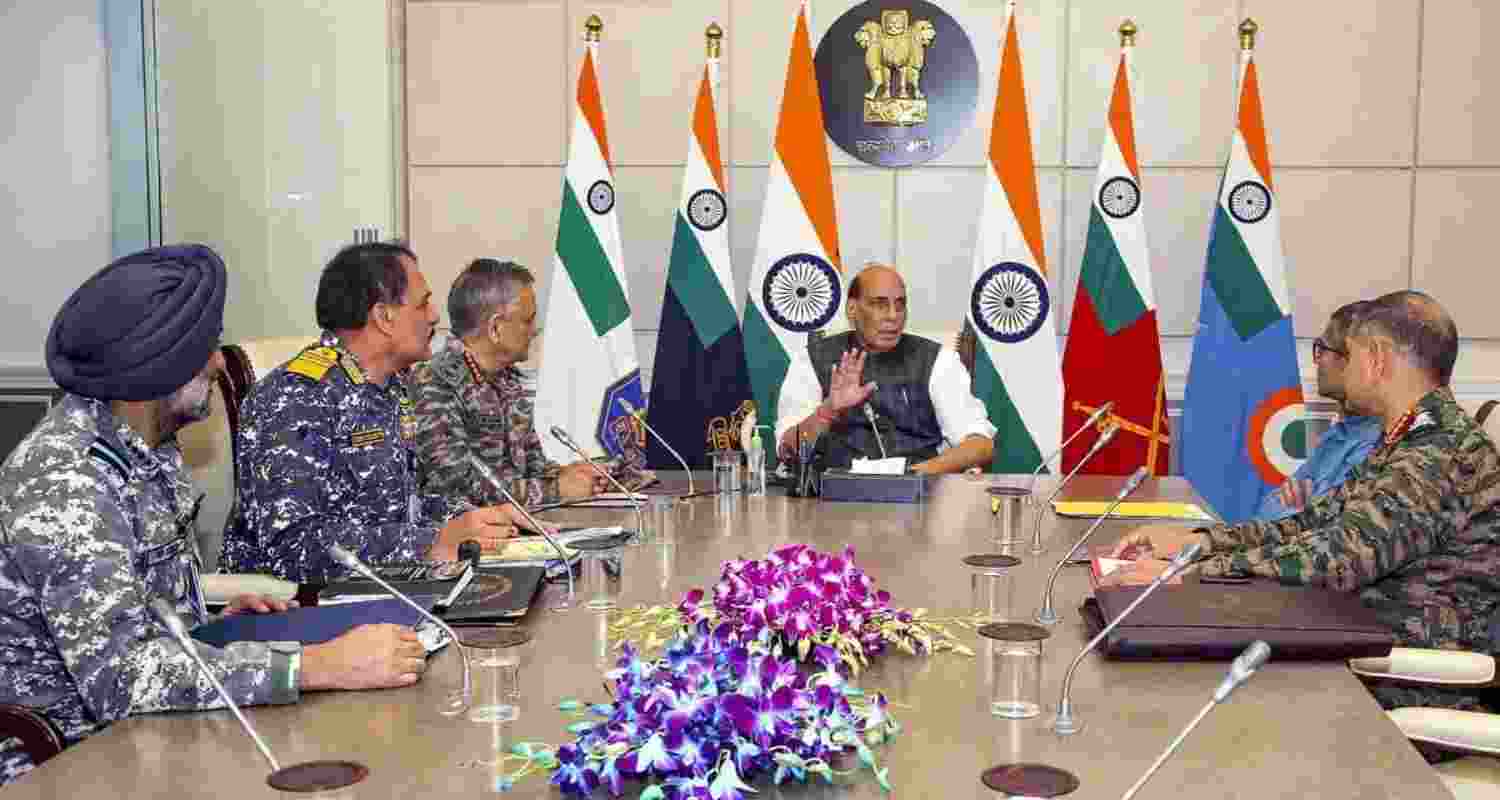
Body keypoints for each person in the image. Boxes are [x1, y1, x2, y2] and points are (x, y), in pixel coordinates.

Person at [0, 245, 427, 785]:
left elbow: (140, 616)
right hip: (72, 758)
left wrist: (207, 626)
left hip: (162, 725)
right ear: (159, 365)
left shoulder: (145, 446)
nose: (220, 364)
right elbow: (119, 680)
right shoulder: (66, 482)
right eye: (205, 350)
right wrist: (314, 666)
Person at [1108, 291, 1500, 719]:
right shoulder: (1408, 439)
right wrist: (1200, 543)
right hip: (1348, 639)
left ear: (1377, 359)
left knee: (1191, 693)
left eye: (1349, 355)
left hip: (1398, 679)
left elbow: (1337, 559)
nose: (1343, 369)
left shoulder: (1439, 452)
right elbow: (1314, 522)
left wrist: (1194, 574)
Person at [221, 243, 542, 583]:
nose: (434, 316)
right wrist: (429, 543)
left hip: (387, 585)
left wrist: (477, 519)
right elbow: (294, 547)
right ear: (384, 317)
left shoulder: (389, 387)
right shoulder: (297, 396)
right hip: (299, 603)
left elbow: (403, 506)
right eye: (422, 304)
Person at [409, 258, 608, 507]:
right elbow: (457, 487)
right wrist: (557, 490)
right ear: (495, 328)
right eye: (527, 320)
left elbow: (531, 468)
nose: (534, 330)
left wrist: (569, 475)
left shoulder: (506, 378)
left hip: (523, 524)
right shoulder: (436, 384)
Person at [776, 264, 995, 474]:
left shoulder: (937, 360)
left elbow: (980, 445)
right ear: (852, 309)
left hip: (919, 492)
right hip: (832, 493)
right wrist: (827, 412)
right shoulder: (813, 359)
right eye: (879, 304)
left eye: (900, 305)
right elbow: (787, 451)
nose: (893, 316)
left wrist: (914, 475)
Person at [1255, 301, 1382, 520]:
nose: (1317, 360)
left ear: (1352, 360)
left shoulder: (1375, 443)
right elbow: (1267, 509)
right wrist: (1300, 510)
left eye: (1322, 349)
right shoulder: (1341, 432)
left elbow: (1333, 528)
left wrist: (1300, 512)